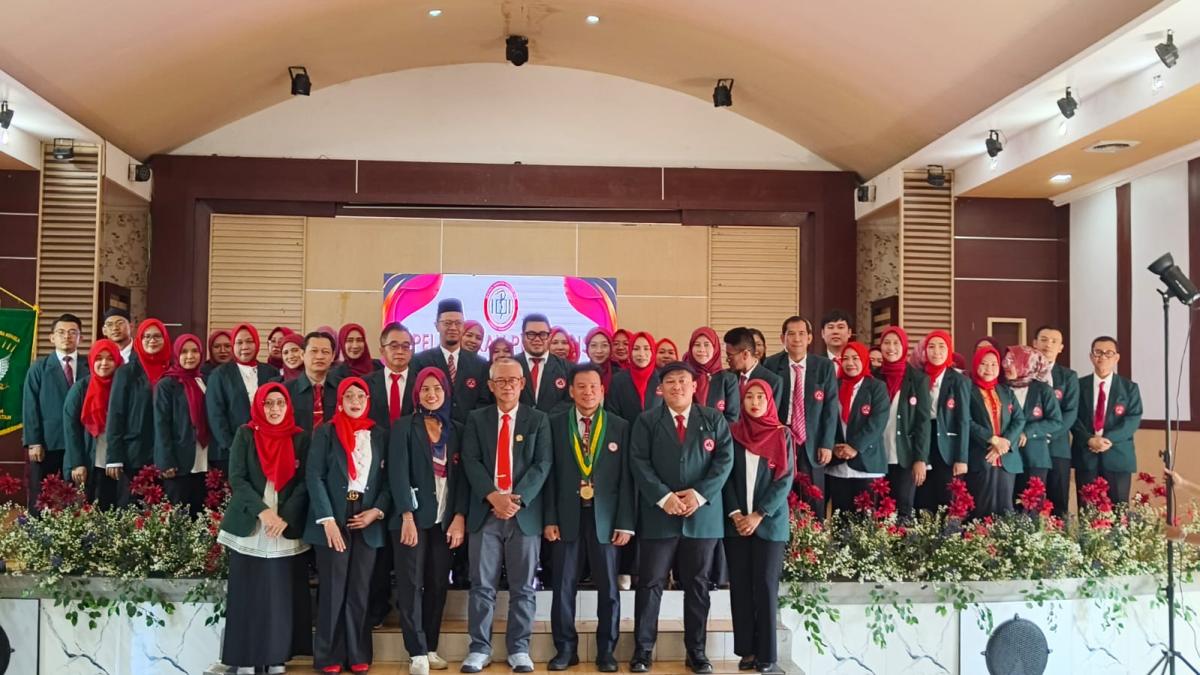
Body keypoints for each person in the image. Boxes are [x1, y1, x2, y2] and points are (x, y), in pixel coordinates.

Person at [628, 361, 733, 675]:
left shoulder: (713, 419)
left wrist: (698, 496)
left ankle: (696, 651)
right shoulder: (647, 421)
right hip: (659, 516)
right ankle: (642, 651)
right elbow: (639, 462)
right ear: (660, 388)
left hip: (702, 518)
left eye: (683, 381)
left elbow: (724, 460)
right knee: (650, 583)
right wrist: (665, 497)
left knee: (698, 585)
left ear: (695, 385)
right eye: (670, 382)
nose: (677, 386)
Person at [459, 357, 552, 673]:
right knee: (481, 585)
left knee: (523, 587)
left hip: (523, 515)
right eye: (501, 380)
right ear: (490, 385)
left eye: (513, 380)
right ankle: (479, 648)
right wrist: (493, 497)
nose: (508, 385)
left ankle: (519, 649)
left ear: (522, 384)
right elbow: (470, 461)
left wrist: (516, 499)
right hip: (485, 513)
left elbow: (543, 464)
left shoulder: (538, 420)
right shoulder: (477, 419)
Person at [543, 364, 633, 673]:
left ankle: (606, 651)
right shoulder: (554, 424)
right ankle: (565, 649)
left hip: (605, 520)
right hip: (566, 517)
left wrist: (624, 522)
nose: (588, 392)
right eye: (581, 386)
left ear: (602, 390)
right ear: (571, 391)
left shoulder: (620, 426)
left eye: (594, 386)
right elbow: (550, 476)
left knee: (608, 589)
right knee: (562, 587)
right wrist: (549, 518)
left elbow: (627, 480)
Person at [218, 382, 312, 674]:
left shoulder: (300, 438)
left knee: (279, 597)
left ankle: (276, 658)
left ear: (288, 407)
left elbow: (304, 483)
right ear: (259, 406)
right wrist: (263, 512)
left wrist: (284, 517)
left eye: (280, 403)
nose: (274, 409)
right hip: (252, 523)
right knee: (247, 594)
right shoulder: (245, 434)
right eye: (268, 403)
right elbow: (238, 478)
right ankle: (245, 659)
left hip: (284, 527)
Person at [306, 377, 389, 674]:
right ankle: (329, 655)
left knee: (359, 588)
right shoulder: (325, 432)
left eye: (360, 396)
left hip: (366, 516)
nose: (355, 401)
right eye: (349, 396)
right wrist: (327, 520)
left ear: (368, 401)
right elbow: (314, 476)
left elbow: (388, 480)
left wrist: (376, 511)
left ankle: (357, 652)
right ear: (340, 401)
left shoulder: (379, 434)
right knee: (333, 589)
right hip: (333, 515)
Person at [390, 367, 467, 675]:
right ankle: (416, 650)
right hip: (413, 519)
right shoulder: (404, 427)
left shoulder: (456, 429)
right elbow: (397, 473)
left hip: (444, 519)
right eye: (425, 389)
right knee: (411, 584)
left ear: (446, 392)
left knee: (437, 583)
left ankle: (431, 646)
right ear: (417, 393)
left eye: (437, 388)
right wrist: (406, 515)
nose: (431, 394)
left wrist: (459, 516)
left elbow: (463, 478)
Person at [723, 379, 793, 674]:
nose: (754, 402)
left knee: (765, 586)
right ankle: (747, 651)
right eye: (748, 396)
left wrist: (759, 514)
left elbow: (784, 479)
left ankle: (767, 655)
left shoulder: (781, 433)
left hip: (769, 524)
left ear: (769, 401)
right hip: (737, 524)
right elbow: (725, 476)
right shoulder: (734, 433)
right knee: (740, 586)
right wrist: (737, 514)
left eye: (760, 397)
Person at [762, 317, 838, 515]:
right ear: (782, 338)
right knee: (782, 496)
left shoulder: (824, 366)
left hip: (813, 441)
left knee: (814, 499)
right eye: (791, 334)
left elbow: (830, 408)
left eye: (802, 334)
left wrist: (827, 444)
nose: (797, 339)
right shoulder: (771, 365)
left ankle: (814, 534)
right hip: (783, 439)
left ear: (810, 338)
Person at [22, 313, 85, 510]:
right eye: (61, 332)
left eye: (72, 332)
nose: (67, 336)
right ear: (51, 337)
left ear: (80, 337)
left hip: (81, 441)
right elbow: (30, 406)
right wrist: (34, 441)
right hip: (48, 442)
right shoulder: (39, 368)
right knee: (42, 497)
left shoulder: (91, 365)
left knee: (77, 496)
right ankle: (37, 529)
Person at [107, 318, 172, 505]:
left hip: (167, 453)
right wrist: (114, 457)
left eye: (157, 336)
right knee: (133, 508)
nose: (152, 340)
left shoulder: (172, 370)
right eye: (147, 336)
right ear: (139, 340)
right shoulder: (126, 372)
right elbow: (116, 415)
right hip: (134, 453)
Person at [1073, 336, 1143, 505]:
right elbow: (1072, 417)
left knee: (1119, 511)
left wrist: (1107, 440)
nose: (1103, 357)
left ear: (1116, 357)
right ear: (1091, 356)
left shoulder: (1129, 388)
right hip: (1086, 455)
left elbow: (1133, 419)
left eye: (1108, 353)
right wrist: (1089, 439)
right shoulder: (1078, 385)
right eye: (1098, 352)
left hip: (1118, 456)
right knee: (1087, 510)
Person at [207, 324, 280, 476]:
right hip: (229, 451)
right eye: (239, 342)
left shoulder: (271, 372)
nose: (245, 347)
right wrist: (233, 446)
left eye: (249, 341)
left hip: (266, 449)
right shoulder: (220, 375)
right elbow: (216, 415)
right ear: (233, 346)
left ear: (257, 343)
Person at [874, 327, 931, 521]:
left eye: (896, 343)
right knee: (878, 512)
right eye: (886, 343)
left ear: (904, 346)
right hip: (877, 456)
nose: (891, 348)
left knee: (903, 512)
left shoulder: (918, 379)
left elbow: (923, 422)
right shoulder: (873, 377)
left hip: (905, 456)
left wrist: (920, 459)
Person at [825, 342, 889, 513]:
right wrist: (834, 446)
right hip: (838, 463)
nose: (850, 363)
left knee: (866, 521)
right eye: (845, 358)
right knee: (841, 518)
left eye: (855, 358)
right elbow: (828, 419)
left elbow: (877, 422)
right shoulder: (834, 385)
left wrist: (855, 447)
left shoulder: (877, 387)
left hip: (867, 462)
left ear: (864, 360)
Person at [911, 330, 971, 512]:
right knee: (922, 496)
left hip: (947, 444)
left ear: (949, 350)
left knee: (947, 497)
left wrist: (961, 458)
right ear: (925, 351)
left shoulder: (959, 380)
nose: (936, 352)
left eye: (941, 347)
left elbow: (963, 421)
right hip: (922, 437)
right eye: (931, 347)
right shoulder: (917, 377)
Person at [154, 333, 211, 514]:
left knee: (201, 515)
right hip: (178, 461)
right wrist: (166, 461)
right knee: (178, 516)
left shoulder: (204, 381)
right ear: (176, 354)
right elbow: (161, 425)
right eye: (184, 352)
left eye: (194, 351)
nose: (190, 356)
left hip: (203, 458)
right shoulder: (166, 384)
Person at [411, 299, 493, 424]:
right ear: (437, 326)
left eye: (458, 323)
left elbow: (484, 402)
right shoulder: (421, 361)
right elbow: (416, 398)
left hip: (468, 430)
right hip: (432, 429)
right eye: (447, 323)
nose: (453, 328)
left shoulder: (480, 364)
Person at [965, 346, 1025, 517]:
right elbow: (966, 421)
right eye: (983, 363)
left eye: (993, 364)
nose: (989, 368)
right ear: (975, 364)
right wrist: (992, 439)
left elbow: (1019, 419)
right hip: (982, 455)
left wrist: (1005, 442)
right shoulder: (968, 390)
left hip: (1007, 458)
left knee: (1006, 511)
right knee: (981, 510)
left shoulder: (1006, 391)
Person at [63, 339, 123, 504]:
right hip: (88, 460)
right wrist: (77, 463)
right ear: (91, 360)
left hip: (116, 461)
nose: (104, 363)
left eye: (110, 358)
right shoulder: (81, 388)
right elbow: (71, 428)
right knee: (87, 508)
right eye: (99, 358)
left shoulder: (122, 386)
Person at [1002, 345, 1063, 510]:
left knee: (1032, 509)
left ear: (1025, 363)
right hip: (1007, 457)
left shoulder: (1042, 389)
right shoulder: (1002, 389)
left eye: (1012, 361)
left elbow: (1056, 421)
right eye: (1005, 360)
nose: (1006, 365)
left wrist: (1027, 432)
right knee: (1009, 508)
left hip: (1035, 457)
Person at [1033, 325, 1079, 517]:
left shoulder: (1068, 376)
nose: (1048, 345)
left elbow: (1070, 412)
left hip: (1058, 448)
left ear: (1061, 347)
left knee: (1059, 505)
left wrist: (1047, 434)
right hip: (1031, 448)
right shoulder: (1024, 373)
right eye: (1043, 340)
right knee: (1030, 503)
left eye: (1054, 341)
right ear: (1035, 343)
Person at [285, 331, 342, 433]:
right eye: (314, 351)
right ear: (302, 354)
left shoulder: (343, 389)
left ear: (333, 356)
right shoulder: (286, 391)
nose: (319, 356)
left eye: (325, 352)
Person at [515, 314, 571, 414]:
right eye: (531, 334)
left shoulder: (567, 368)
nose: (537, 339)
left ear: (549, 337)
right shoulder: (510, 366)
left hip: (553, 422)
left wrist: (544, 419)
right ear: (522, 336)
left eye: (543, 334)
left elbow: (569, 402)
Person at [683, 327, 739, 424]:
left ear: (715, 348)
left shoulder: (728, 379)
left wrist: (714, 432)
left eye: (706, 345)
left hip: (719, 432)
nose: (701, 350)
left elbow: (732, 418)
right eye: (697, 345)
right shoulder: (684, 377)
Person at [367, 323, 417, 429]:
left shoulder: (420, 383)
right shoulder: (367, 383)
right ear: (382, 351)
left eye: (405, 346)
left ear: (412, 351)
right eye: (394, 346)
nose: (400, 351)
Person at [606, 332, 662, 423]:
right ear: (630, 351)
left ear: (653, 351)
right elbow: (612, 413)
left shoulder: (662, 379)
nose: (641, 354)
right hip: (626, 431)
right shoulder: (617, 380)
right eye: (636, 349)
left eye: (646, 348)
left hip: (656, 431)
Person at [723, 327, 783, 410]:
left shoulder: (773, 381)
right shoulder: (725, 377)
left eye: (730, 355)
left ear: (745, 354)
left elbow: (770, 415)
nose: (727, 360)